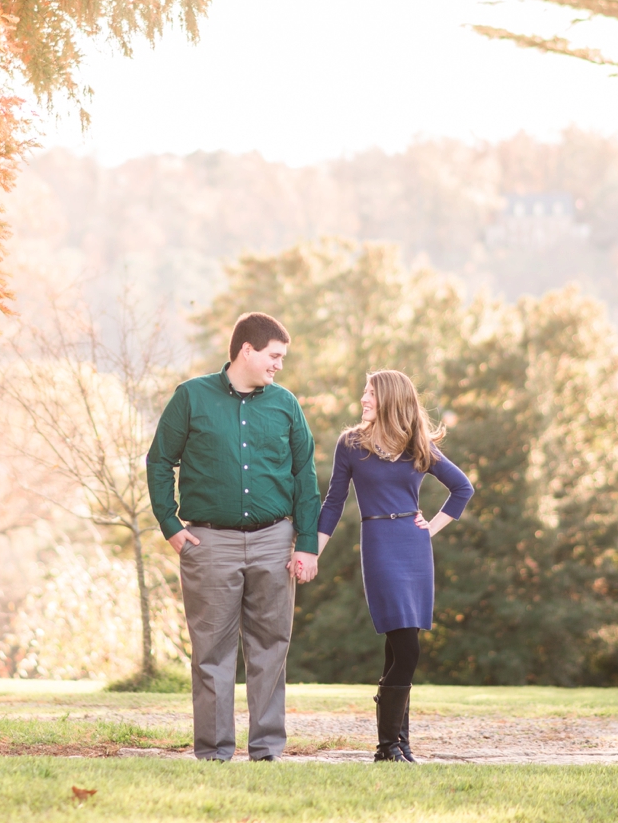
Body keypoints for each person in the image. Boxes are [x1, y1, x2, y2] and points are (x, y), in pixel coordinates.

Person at [147, 311, 321, 763]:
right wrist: (171, 526)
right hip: (209, 544)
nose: (279, 365)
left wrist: (305, 543)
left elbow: (306, 474)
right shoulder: (191, 397)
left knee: (270, 650)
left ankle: (266, 751)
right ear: (247, 350)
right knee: (212, 655)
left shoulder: (285, 404)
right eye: (274, 355)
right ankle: (214, 753)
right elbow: (159, 461)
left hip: (274, 541)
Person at [317, 369, 474, 764]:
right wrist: (311, 550)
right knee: (406, 648)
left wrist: (430, 529)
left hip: (413, 545)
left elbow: (463, 487)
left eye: (369, 393)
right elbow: (334, 502)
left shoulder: (416, 443)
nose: (363, 399)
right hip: (379, 544)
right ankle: (388, 746)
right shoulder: (350, 444)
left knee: (399, 647)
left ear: (389, 399)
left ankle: (397, 746)